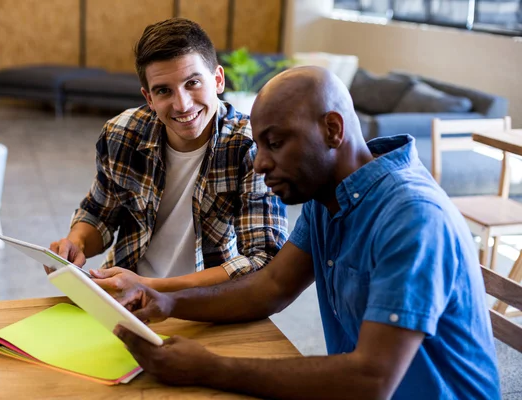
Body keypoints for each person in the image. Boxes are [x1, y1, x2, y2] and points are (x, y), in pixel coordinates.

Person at [109, 66, 501, 399]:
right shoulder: (328, 196)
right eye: (259, 145)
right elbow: (272, 287)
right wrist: (170, 302)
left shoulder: (411, 217)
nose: (260, 163)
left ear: (333, 129)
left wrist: (211, 368)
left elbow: (371, 380)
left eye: (275, 143)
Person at [48, 18, 288, 291]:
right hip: (125, 293)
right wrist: (75, 243)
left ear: (218, 80)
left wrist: (152, 287)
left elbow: (263, 258)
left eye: (193, 83)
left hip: (209, 301)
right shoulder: (122, 133)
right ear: (149, 98)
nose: (182, 104)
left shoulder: (250, 146)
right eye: (164, 90)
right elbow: (99, 214)